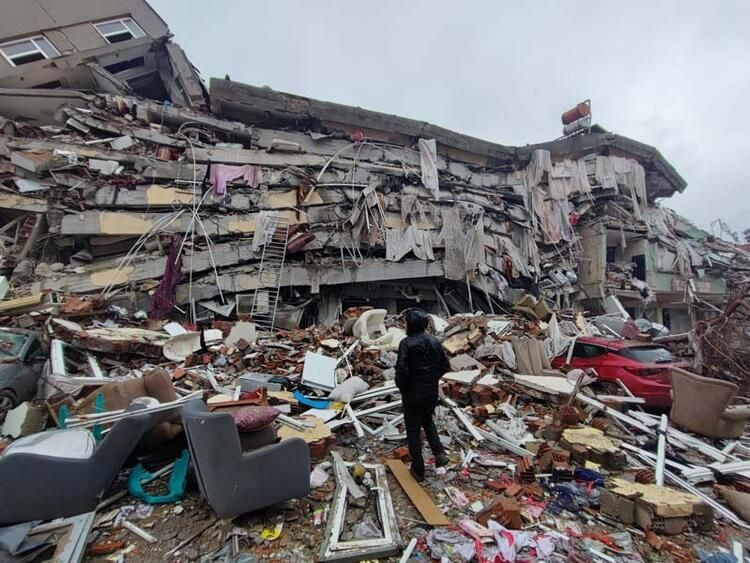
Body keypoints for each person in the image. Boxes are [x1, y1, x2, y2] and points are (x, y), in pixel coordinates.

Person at [395, 308, 451, 481]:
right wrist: (432, 379)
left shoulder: (406, 343)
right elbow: (445, 366)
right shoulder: (434, 341)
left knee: (412, 429)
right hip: (430, 391)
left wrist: (402, 386)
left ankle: (418, 469)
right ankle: (439, 453)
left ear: (411, 325)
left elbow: (402, 369)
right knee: (427, 421)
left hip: (413, 392)